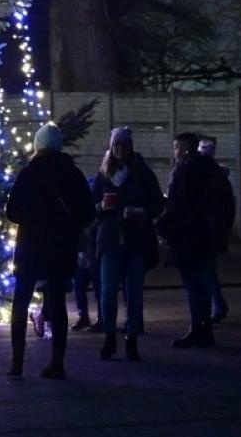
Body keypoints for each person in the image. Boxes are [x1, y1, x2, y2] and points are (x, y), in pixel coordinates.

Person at [5, 122, 94, 379]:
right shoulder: (73, 175)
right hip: (61, 247)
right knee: (56, 304)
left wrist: (33, 216)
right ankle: (57, 362)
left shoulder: (28, 174)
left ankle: (17, 362)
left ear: (37, 146)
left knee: (21, 302)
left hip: (30, 246)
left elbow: (12, 211)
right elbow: (87, 213)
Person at [154, 131, 235, 349]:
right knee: (203, 284)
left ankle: (198, 330)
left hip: (189, 238)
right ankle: (204, 329)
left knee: (194, 286)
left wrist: (161, 226)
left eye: (177, 148)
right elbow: (228, 203)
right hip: (208, 237)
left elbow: (177, 206)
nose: (175, 152)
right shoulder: (213, 171)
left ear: (187, 149)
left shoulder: (185, 172)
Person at [91, 126, 165, 362]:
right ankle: (110, 336)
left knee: (134, 293)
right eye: (116, 145)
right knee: (108, 291)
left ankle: (131, 339)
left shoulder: (142, 172)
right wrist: (101, 207)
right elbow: (90, 206)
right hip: (110, 240)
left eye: (124, 144)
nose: (120, 149)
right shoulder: (104, 174)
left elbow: (158, 203)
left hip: (136, 241)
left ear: (130, 147)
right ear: (111, 148)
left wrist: (141, 212)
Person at [197, 137, 231, 323]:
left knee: (206, 271)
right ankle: (216, 305)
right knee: (207, 270)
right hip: (212, 230)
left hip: (206, 231)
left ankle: (216, 307)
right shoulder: (218, 177)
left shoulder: (210, 178)